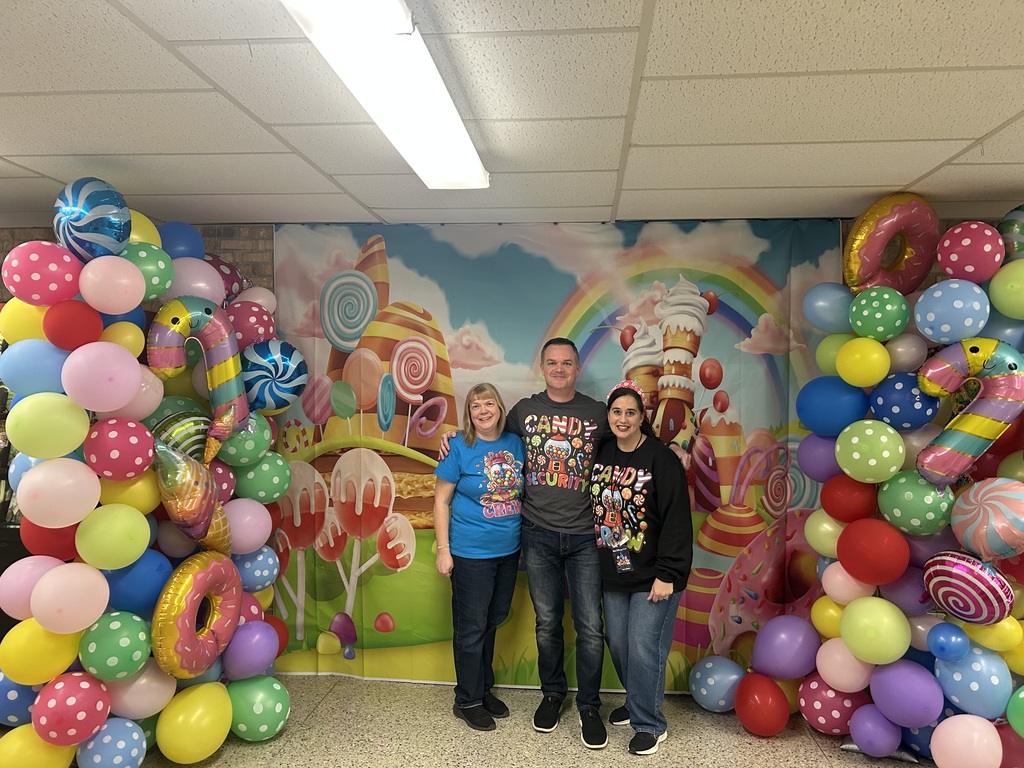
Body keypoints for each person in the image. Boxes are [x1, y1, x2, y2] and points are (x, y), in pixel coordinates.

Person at [505, 337, 612, 749]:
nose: (560, 369)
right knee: (547, 622)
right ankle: (552, 694)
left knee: (590, 626)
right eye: (552, 362)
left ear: (577, 367)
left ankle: (588, 705)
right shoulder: (523, 412)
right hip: (538, 532)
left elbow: (633, 443)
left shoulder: (597, 413)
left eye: (567, 362)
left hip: (587, 535)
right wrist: (451, 439)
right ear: (543, 367)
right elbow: (489, 437)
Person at [590, 380, 693, 756]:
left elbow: (677, 521)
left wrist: (667, 574)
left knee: (643, 646)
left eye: (630, 412)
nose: (622, 418)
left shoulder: (662, 459)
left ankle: (650, 723)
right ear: (609, 415)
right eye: (616, 411)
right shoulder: (601, 451)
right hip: (614, 571)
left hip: (655, 576)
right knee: (618, 642)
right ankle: (637, 701)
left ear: (641, 417)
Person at [433, 383, 526, 732]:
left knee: (492, 620)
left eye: (489, 404)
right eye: (475, 406)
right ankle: (467, 700)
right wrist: (444, 551)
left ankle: (483, 689)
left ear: (501, 408)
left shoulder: (516, 444)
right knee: (471, 628)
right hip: (470, 553)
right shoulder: (457, 445)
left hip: (508, 551)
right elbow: (441, 501)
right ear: (468, 413)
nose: (483, 410)